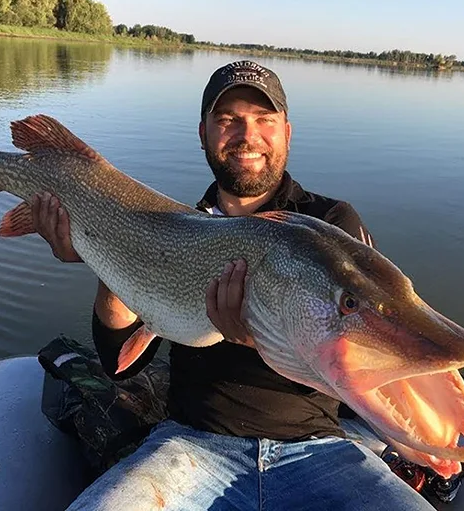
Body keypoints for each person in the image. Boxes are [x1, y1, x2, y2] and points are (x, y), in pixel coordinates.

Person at [32, 60, 433, 511]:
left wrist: (258, 338)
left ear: (287, 132)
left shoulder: (331, 225)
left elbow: (363, 350)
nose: (248, 136)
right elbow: (119, 364)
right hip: (192, 448)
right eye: (228, 121)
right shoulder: (171, 227)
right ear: (203, 133)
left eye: (265, 120)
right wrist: (102, 251)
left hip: (318, 448)